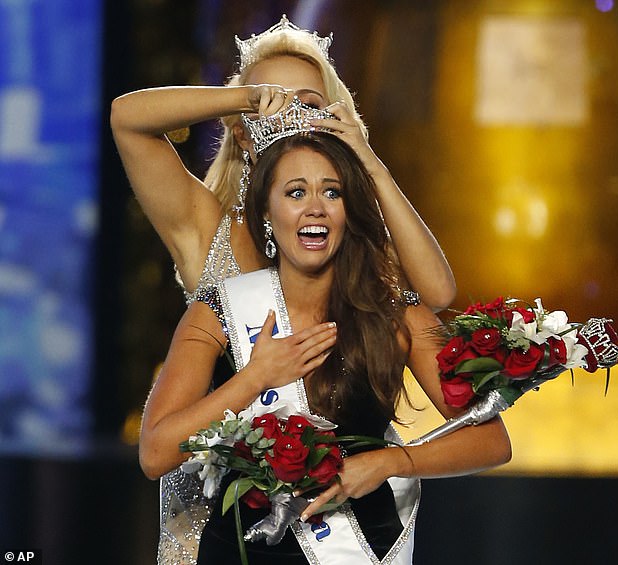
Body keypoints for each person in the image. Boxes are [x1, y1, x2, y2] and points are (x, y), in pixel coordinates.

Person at [111, 16, 457, 563]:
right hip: (219, 517)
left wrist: (361, 153)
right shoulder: (208, 227)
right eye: (276, 104)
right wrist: (245, 98)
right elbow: (127, 118)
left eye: (308, 104)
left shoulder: (345, 239)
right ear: (243, 127)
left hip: (335, 517)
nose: (292, 117)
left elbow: (435, 291)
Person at [139, 129, 511, 564]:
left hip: (360, 547)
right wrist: (256, 377)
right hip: (243, 551)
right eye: (296, 192)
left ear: (349, 211)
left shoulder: (394, 315)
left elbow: (492, 441)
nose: (315, 207)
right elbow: (155, 453)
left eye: (331, 192)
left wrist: (390, 463)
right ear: (265, 211)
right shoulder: (217, 311)